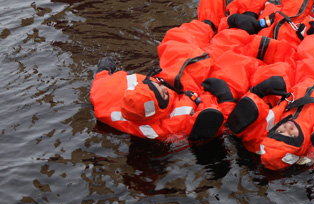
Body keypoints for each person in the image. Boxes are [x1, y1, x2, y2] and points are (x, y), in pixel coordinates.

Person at [90, 57, 236, 143]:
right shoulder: (169, 126)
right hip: (196, 100)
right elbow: (213, 122)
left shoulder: (105, 95)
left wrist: (104, 68)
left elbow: (100, 81)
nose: (164, 88)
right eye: (164, 94)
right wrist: (226, 98)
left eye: (157, 85)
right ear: (160, 111)